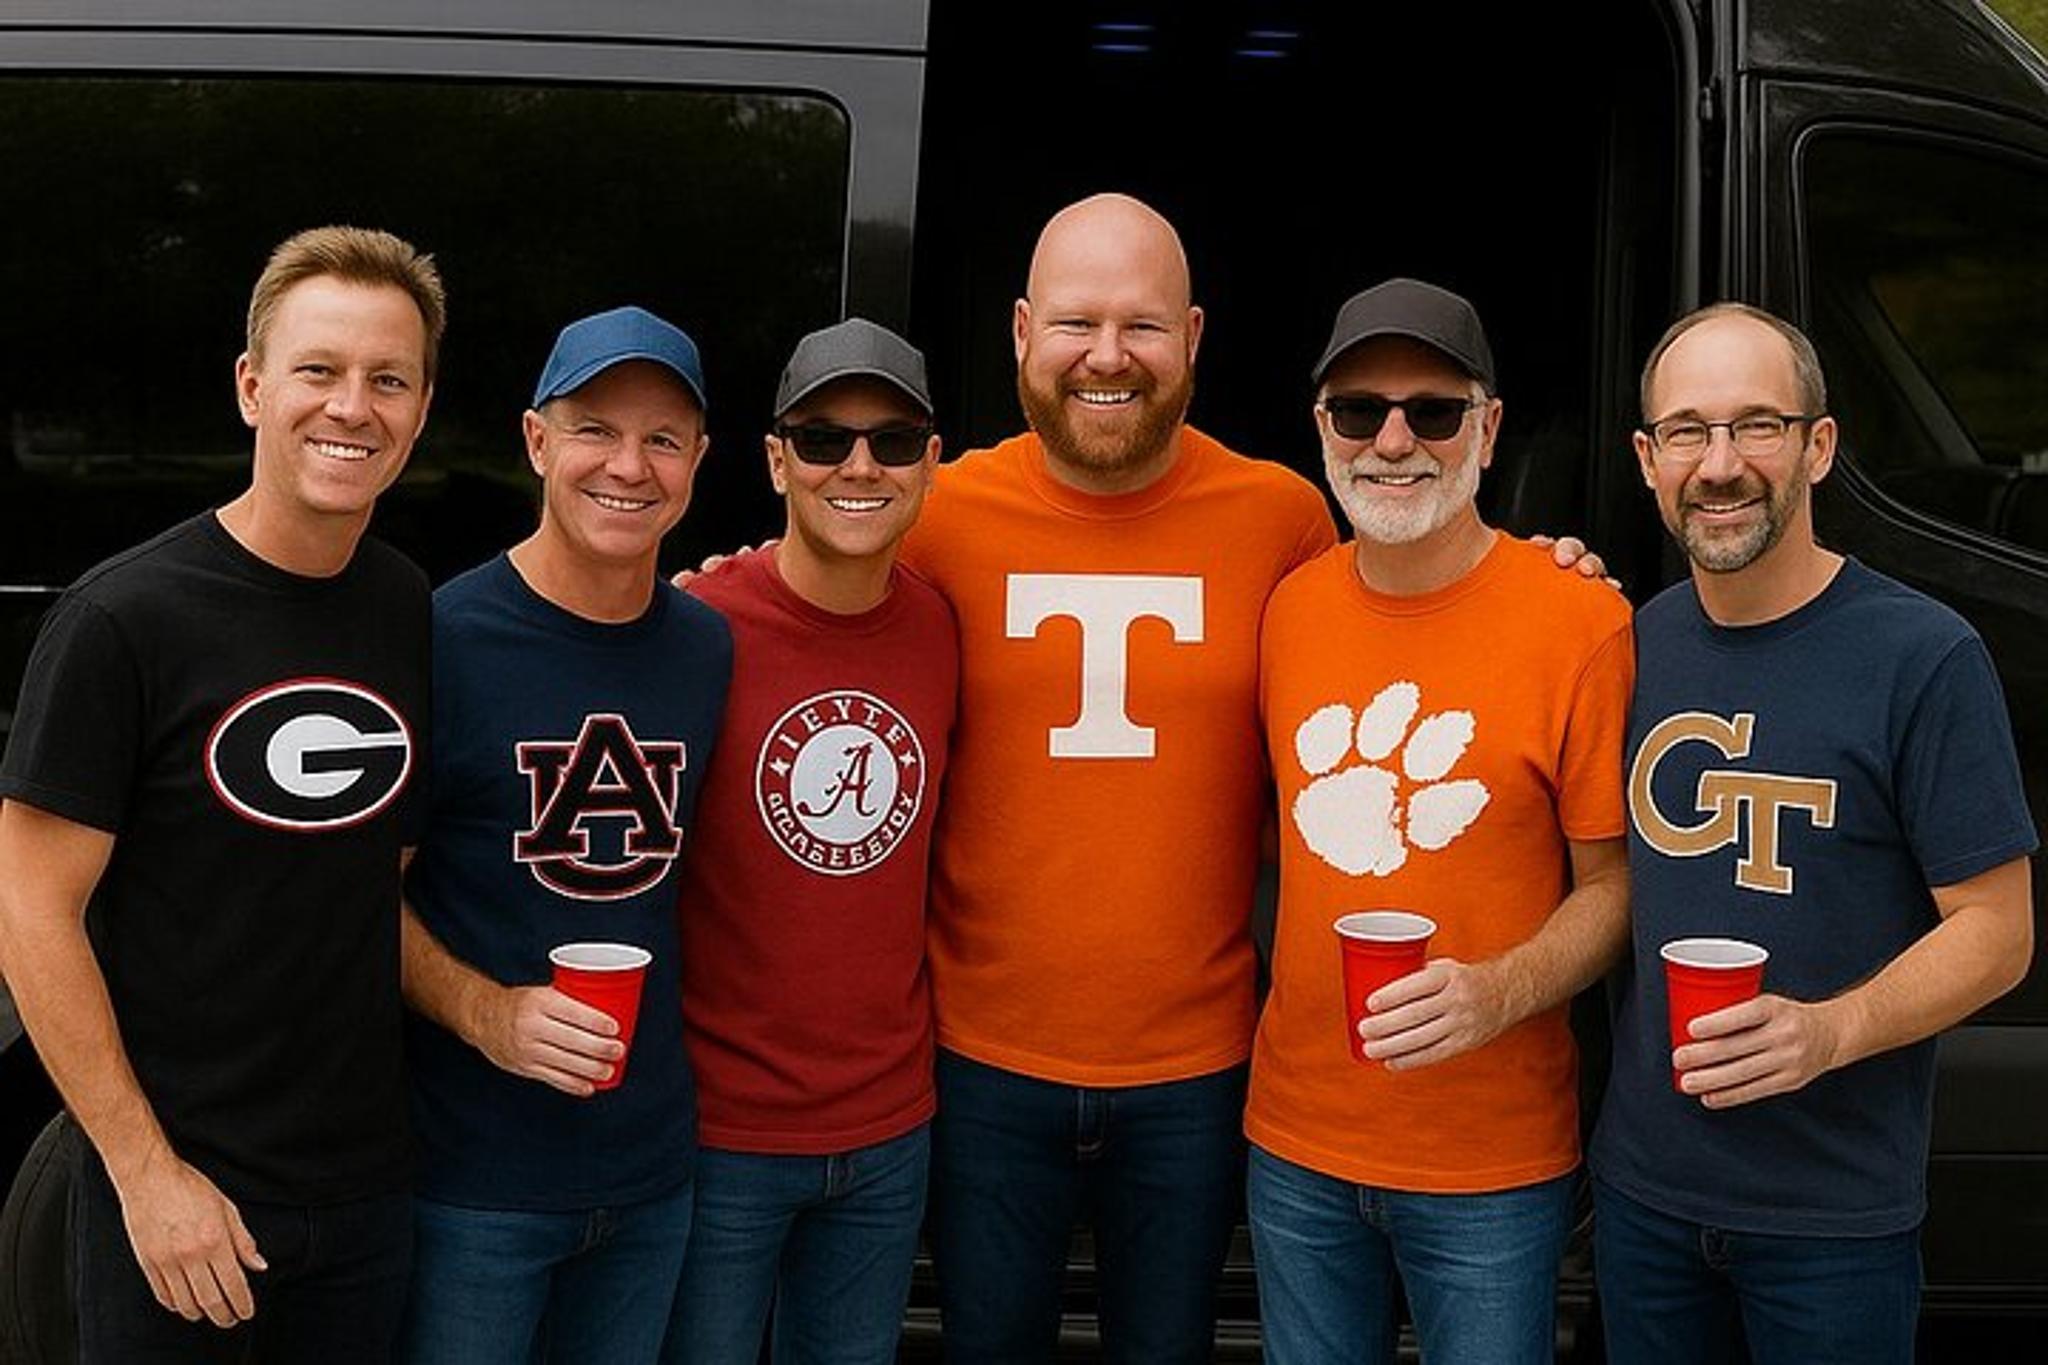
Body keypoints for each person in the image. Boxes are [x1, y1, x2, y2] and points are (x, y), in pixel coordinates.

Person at [0, 226, 443, 1362]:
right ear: (252, 387)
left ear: (422, 407)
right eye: (318, 370)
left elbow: (367, 876)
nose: (353, 407)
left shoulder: (403, 607)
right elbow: (28, 912)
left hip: (364, 1200)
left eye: (387, 379)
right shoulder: (123, 620)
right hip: (187, 1204)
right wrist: (146, 1176)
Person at [1589, 303, 2036, 1365]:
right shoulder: (1626, 642)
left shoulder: (1923, 656)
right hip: (1641, 1199)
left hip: (1831, 1222)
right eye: (1688, 432)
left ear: (1816, 446)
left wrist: (1827, 1033)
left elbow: (1997, 932)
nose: (1720, 464)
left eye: (1756, 426)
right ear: (1648, 461)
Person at [1244, 277, 1634, 1365]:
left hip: (1493, 1161)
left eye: (1434, 410)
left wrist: (1494, 990)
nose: (1393, 441)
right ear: (1320, 427)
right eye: (1359, 411)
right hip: (1296, 1140)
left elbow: (1613, 887)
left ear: (1488, 425)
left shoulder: (1580, 621)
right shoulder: (1284, 609)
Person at [396, 306, 732, 1364]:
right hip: (472, 1185)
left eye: (662, 439)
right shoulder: (441, 639)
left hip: (649, 1177)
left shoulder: (707, 646)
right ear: (536, 440)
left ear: (699, 462)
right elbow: (353, 895)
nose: (628, 467)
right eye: (594, 429)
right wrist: (487, 1013)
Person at [661, 318, 956, 1364]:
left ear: (933, 461)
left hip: (887, 1130)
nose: (859, 465)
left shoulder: (943, 626)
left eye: (892, 439)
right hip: (718, 1133)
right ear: (776, 458)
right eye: (824, 438)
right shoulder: (691, 623)